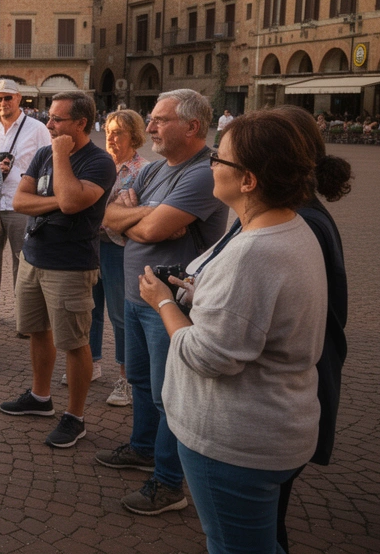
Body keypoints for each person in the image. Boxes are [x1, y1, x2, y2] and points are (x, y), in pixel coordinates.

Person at [137, 111, 326, 554]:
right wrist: (197, 296)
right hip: (277, 426)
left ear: (248, 181)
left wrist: (164, 302)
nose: (210, 165)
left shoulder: (253, 253)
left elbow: (209, 356)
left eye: (220, 158)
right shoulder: (292, 227)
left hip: (234, 441)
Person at [95, 90, 227, 515]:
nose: (149, 127)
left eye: (159, 120)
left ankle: (169, 483)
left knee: (167, 395)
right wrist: (143, 217)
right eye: (150, 119)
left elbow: (148, 231)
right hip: (139, 295)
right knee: (140, 382)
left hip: (169, 303)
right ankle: (142, 448)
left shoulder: (203, 173)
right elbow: (109, 218)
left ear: (192, 127)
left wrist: (138, 220)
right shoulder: (154, 171)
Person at [0, 91, 114, 450]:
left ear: (81, 123)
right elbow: (20, 201)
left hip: (71, 264)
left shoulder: (98, 162)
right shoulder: (44, 153)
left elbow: (73, 200)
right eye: (49, 117)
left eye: (57, 120)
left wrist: (63, 161)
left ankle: (75, 416)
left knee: (74, 342)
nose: (49, 125)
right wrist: (60, 204)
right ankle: (40, 396)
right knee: (37, 331)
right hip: (34, 257)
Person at [271, 106, 351, 553]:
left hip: (291, 394)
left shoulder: (299, 223)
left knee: (265, 526)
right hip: (300, 387)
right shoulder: (298, 215)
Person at [0, 80, 51, 323]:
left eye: (8, 98)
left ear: (19, 99)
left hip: (22, 204)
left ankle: (24, 315)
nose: (3, 103)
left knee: (22, 261)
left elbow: (49, 163)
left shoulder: (37, 128)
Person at [91, 109, 148, 407]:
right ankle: (91, 363)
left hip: (118, 248)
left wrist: (116, 216)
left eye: (119, 133)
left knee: (120, 314)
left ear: (134, 136)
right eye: (109, 131)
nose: (111, 138)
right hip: (91, 245)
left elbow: (139, 214)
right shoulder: (99, 163)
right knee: (90, 308)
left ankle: (126, 378)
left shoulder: (143, 170)